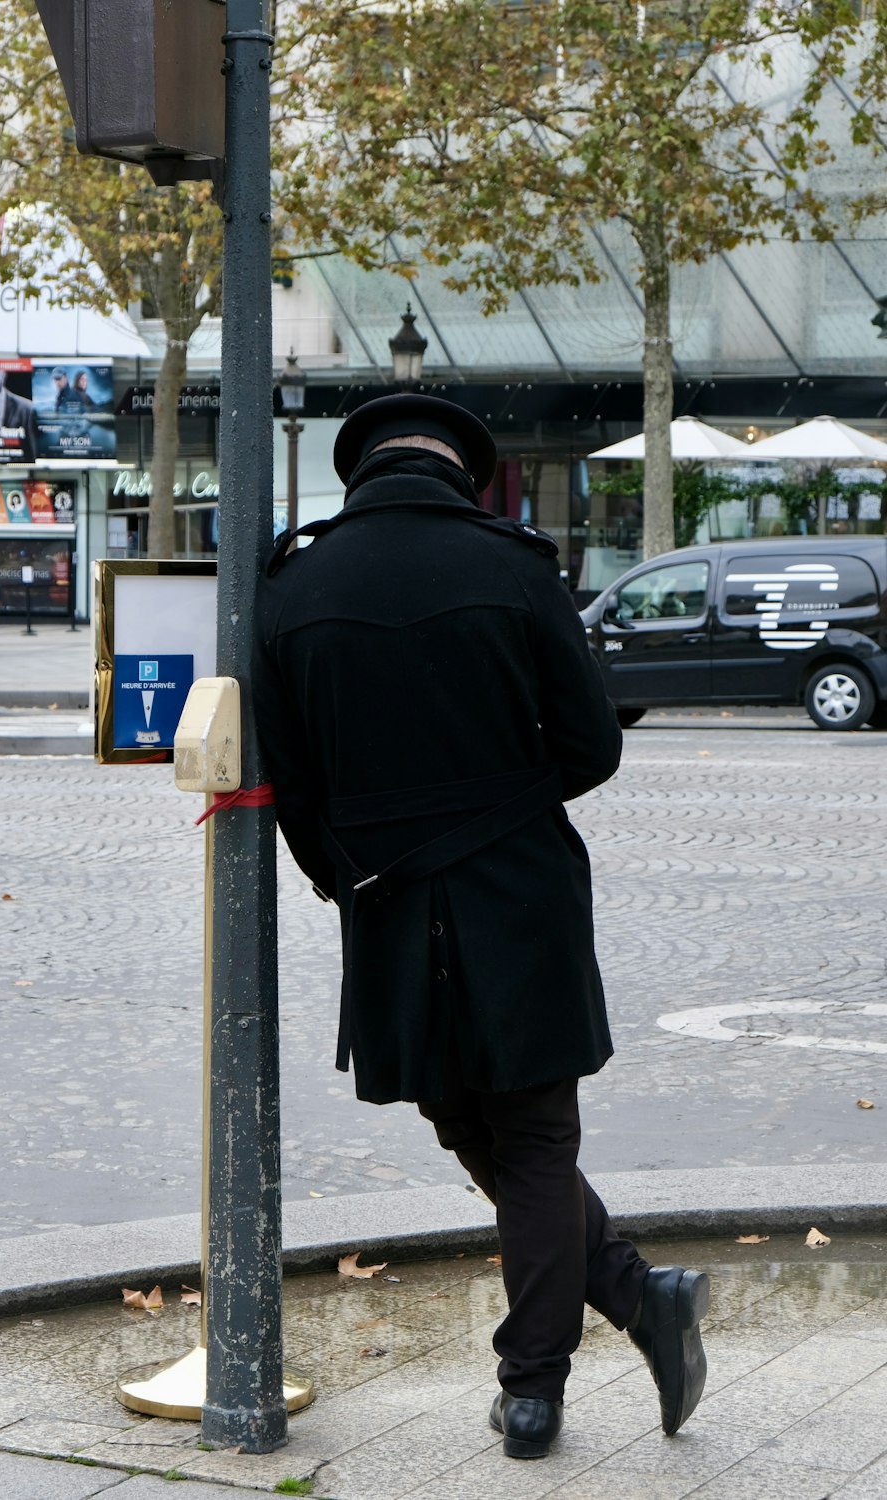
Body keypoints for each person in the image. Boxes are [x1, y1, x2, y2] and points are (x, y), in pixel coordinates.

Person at [252, 393, 709, 1461]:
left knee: (464, 1119)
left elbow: (295, 785)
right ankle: (619, 1314)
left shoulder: (292, 582)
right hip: (520, 891)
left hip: (386, 898)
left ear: (360, 473)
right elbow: (593, 746)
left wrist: (356, 869)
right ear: (463, 473)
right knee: (534, 1133)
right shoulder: (513, 566)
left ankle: (543, 1376)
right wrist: (494, 807)